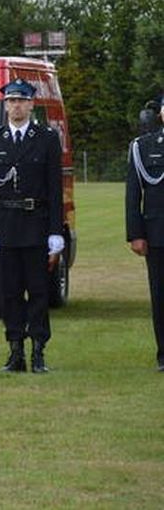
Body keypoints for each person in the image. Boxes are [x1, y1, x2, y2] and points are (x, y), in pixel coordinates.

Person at [0, 79, 65, 374]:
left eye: (21, 101)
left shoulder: (46, 138)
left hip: (36, 224)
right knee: (10, 292)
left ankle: (38, 350)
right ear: (5, 106)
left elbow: (55, 188)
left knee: (39, 292)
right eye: (11, 101)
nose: (16, 106)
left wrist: (56, 230)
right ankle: (15, 349)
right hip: (5, 226)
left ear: (31, 105)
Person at [125, 96, 164, 372]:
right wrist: (135, 234)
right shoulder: (144, 147)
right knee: (160, 296)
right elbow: (132, 194)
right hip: (157, 233)